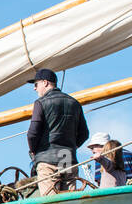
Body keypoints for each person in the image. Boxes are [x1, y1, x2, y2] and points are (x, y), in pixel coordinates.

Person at [26, 67, 89, 196]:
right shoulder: (74, 103)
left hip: (47, 159)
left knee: (50, 202)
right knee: (69, 201)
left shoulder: (41, 103)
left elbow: (32, 133)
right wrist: (72, 146)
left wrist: (34, 151)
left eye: (36, 84)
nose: (35, 88)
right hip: (67, 157)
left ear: (45, 82)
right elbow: (84, 133)